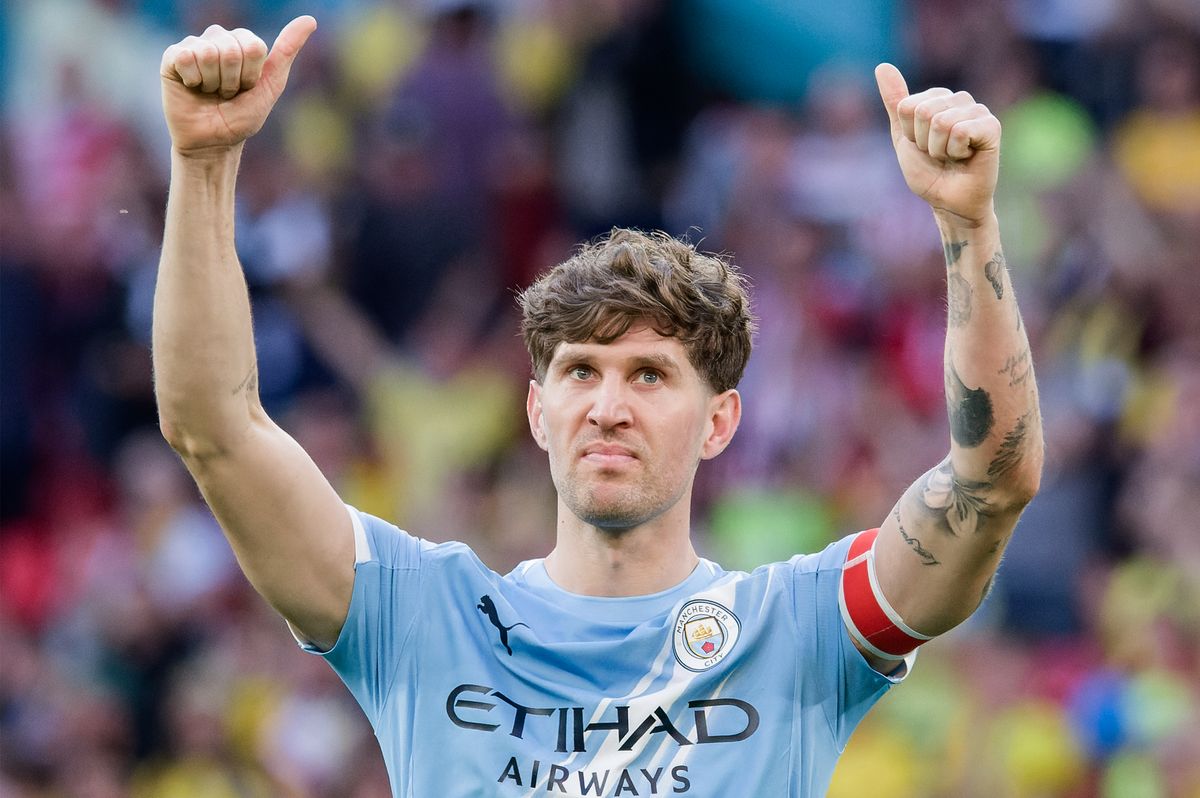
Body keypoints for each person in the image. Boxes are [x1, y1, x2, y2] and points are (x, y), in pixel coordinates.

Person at [154, 15, 1043, 797]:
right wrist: (202, 164)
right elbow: (214, 430)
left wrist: (968, 227)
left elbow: (990, 485)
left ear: (721, 422)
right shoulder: (421, 618)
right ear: (538, 413)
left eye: (651, 376)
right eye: (581, 372)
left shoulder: (801, 629)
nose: (608, 407)